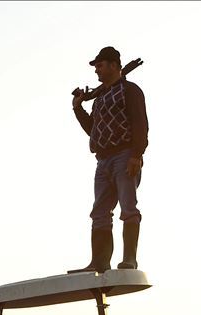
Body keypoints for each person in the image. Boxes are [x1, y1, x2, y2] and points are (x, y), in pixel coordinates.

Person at [69, 46, 149, 273]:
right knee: (100, 213)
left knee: (128, 209)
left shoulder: (130, 90)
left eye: (100, 66)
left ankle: (129, 260)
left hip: (124, 155)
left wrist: (136, 154)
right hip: (103, 159)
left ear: (114, 65)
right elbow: (94, 131)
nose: (97, 71)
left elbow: (140, 125)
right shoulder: (100, 98)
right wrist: (78, 109)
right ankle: (99, 263)